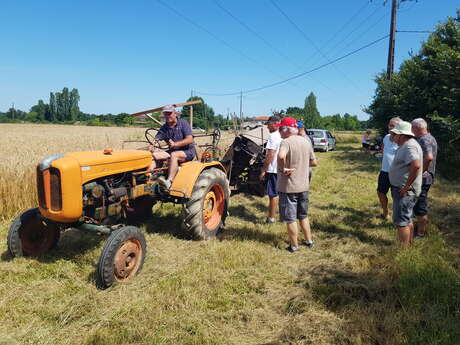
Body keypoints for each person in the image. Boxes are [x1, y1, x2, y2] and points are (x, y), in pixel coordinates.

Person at [277, 117, 317, 252]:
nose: (279, 132)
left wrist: (283, 169)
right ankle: (309, 241)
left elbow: (281, 156)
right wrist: (301, 164)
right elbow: (314, 162)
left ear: (287, 129)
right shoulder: (306, 142)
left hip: (289, 188)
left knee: (290, 218)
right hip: (304, 186)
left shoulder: (285, 142)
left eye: (280, 129)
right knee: (303, 216)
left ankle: (294, 246)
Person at [388, 121, 423, 246]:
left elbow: (416, 165)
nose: (393, 136)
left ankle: (404, 250)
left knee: (401, 221)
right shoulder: (407, 145)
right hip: (404, 190)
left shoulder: (409, 146)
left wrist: (406, 186)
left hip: (405, 192)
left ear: (402, 135)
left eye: (395, 134)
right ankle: (409, 244)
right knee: (407, 219)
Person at [148, 105, 196, 189]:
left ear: (175, 113)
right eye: (165, 114)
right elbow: (157, 138)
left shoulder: (183, 123)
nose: (167, 116)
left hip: (187, 151)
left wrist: (175, 144)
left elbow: (190, 139)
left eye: (169, 113)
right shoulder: (164, 127)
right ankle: (149, 176)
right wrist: (153, 144)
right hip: (173, 151)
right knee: (154, 155)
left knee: (174, 155)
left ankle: (169, 181)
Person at [411, 118, 438, 238]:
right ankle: (417, 227)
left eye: (412, 128)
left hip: (424, 178)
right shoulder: (430, 137)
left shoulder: (424, 140)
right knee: (417, 203)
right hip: (426, 177)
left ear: (417, 128)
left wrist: (421, 171)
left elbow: (429, 157)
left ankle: (420, 233)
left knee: (420, 205)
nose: (411, 130)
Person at [259, 115, 282, 223]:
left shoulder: (273, 136)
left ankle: (271, 218)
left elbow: (270, 155)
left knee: (273, 195)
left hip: (273, 169)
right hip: (281, 169)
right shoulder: (283, 135)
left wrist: (263, 170)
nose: (267, 127)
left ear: (274, 124)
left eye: (268, 125)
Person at [377, 117, 401, 220]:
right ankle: (385, 213)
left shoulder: (402, 140)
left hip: (397, 173)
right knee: (380, 192)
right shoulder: (386, 137)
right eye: (389, 125)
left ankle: (399, 218)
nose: (389, 127)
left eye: (392, 126)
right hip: (384, 171)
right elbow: (383, 148)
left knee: (397, 197)